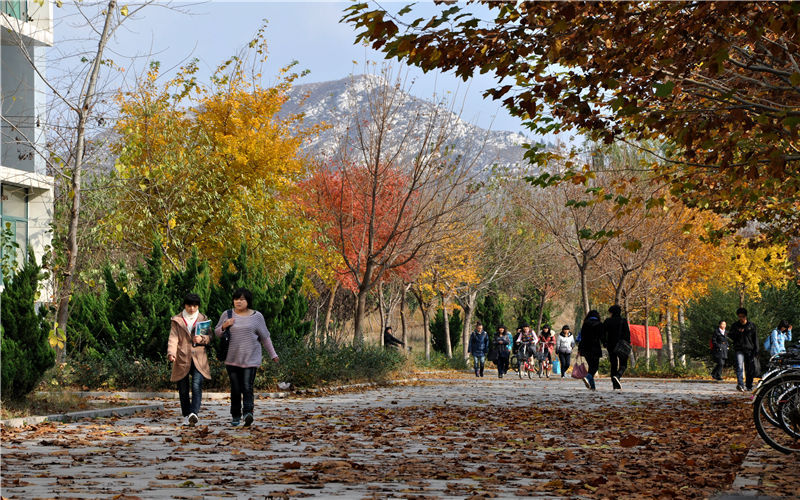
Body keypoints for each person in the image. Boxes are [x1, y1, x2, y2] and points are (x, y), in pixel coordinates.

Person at [215, 287, 279, 427]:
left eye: (242, 299)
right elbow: (217, 332)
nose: (238, 302)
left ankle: (248, 413)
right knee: (235, 388)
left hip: (250, 359)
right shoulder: (227, 314)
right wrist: (225, 325)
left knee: (247, 386)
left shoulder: (257, 316)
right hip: (232, 359)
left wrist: (273, 354)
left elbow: (265, 337)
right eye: (236, 299)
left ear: (248, 301)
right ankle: (236, 416)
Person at [167, 293, 212, 426]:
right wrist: (171, 353)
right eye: (189, 305)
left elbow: (210, 337)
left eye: (195, 305)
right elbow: (173, 338)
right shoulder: (177, 320)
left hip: (199, 358)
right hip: (181, 357)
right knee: (183, 388)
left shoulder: (203, 319)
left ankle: (194, 413)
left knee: (197, 385)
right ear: (184, 305)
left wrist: (202, 339)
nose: (192, 308)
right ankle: (186, 415)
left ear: (198, 306)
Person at [729, 307, 758, 392]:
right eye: (739, 316)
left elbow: (755, 338)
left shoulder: (751, 326)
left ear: (746, 316)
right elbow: (731, 336)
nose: (741, 318)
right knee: (739, 366)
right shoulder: (735, 326)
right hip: (739, 349)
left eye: (743, 316)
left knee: (750, 368)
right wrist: (738, 332)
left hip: (749, 349)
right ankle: (740, 384)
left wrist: (756, 349)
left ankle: (749, 385)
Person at [602, 304, 631, 390]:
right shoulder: (623, 321)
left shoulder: (607, 321)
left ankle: (615, 384)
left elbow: (603, 333)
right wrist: (628, 343)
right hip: (621, 345)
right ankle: (618, 376)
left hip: (610, 345)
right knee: (623, 364)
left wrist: (604, 342)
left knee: (613, 364)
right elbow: (627, 334)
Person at [578, 310, 604, 391]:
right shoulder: (599, 324)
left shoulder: (585, 324)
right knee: (595, 367)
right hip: (595, 348)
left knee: (591, 366)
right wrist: (605, 344)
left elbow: (581, 336)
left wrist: (579, 348)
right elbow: (602, 336)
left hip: (585, 348)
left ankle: (592, 386)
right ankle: (587, 377)